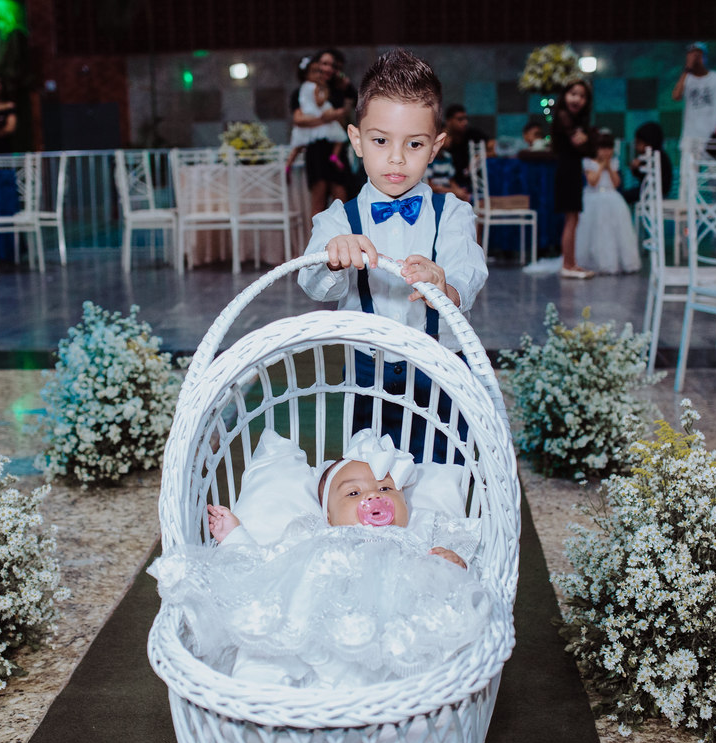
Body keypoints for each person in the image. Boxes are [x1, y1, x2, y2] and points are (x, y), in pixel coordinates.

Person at [151, 431, 488, 688]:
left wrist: (449, 563)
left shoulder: (417, 536)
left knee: (406, 673)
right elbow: (272, 567)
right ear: (328, 515)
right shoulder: (317, 536)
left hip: (385, 639)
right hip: (309, 624)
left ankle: (370, 721)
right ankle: (257, 700)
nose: (373, 496)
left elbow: (454, 585)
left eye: (386, 490)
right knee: (266, 645)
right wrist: (236, 537)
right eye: (353, 493)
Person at [298, 48, 488, 463]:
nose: (397, 158)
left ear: (436, 147)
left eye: (414, 144)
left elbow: (470, 269)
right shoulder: (338, 218)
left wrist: (447, 286)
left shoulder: (452, 212)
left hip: (444, 372)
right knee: (371, 476)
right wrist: (332, 258)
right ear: (357, 140)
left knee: (446, 474)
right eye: (381, 141)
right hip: (367, 377)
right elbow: (311, 282)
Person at [292, 49, 351, 215]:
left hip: (336, 150)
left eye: (332, 65)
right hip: (316, 149)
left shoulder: (337, 90)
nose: (327, 69)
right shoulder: (303, 90)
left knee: (341, 198)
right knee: (318, 200)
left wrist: (337, 114)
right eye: (324, 64)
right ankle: (318, 240)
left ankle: (343, 238)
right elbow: (299, 120)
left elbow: (346, 118)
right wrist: (326, 118)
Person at [575, 131, 639, 275]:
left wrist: (608, 166)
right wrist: (601, 165)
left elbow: (616, 183)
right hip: (593, 199)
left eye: (609, 148)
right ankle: (593, 262)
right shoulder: (588, 162)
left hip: (612, 198)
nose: (606, 151)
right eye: (603, 148)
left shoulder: (614, 163)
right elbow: (592, 182)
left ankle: (618, 262)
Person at [552, 79, 596, 279]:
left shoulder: (575, 121)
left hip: (572, 170)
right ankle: (568, 264)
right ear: (565, 95)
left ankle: (571, 263)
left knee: (573, 218)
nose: (577, 99)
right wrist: (587, 140)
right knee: (571, 218)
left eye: (582, 95)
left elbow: (589, 147)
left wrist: (588, 141)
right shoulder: (563, 116)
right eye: (573, 93)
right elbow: (584, 146)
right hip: (567, 170)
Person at [672, 42, 716, 152]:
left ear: (705, 57)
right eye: (692, 55)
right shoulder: (686, 79)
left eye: (699, 55)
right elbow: (676, 96)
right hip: (690, 137)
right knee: (689, 168)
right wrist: (687, 69)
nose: (696, 59)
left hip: (712, 136)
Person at [621, 121, 673, 205]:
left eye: (638, 143)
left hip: (655, 193)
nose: (636, 146)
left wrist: (639, 166)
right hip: (649, 191)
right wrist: (636, 168)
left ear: (648, 143)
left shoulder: (657, 157)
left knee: (623, 197)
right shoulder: (649, 156)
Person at [442, 104, 488, 192]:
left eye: (465, 119)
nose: (465, 122)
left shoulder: (472, 134)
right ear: (449, 121)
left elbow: (493, 146)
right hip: (447, 184)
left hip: (469, 181)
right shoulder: (441, 135)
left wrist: (479, 156)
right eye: (460, 119)